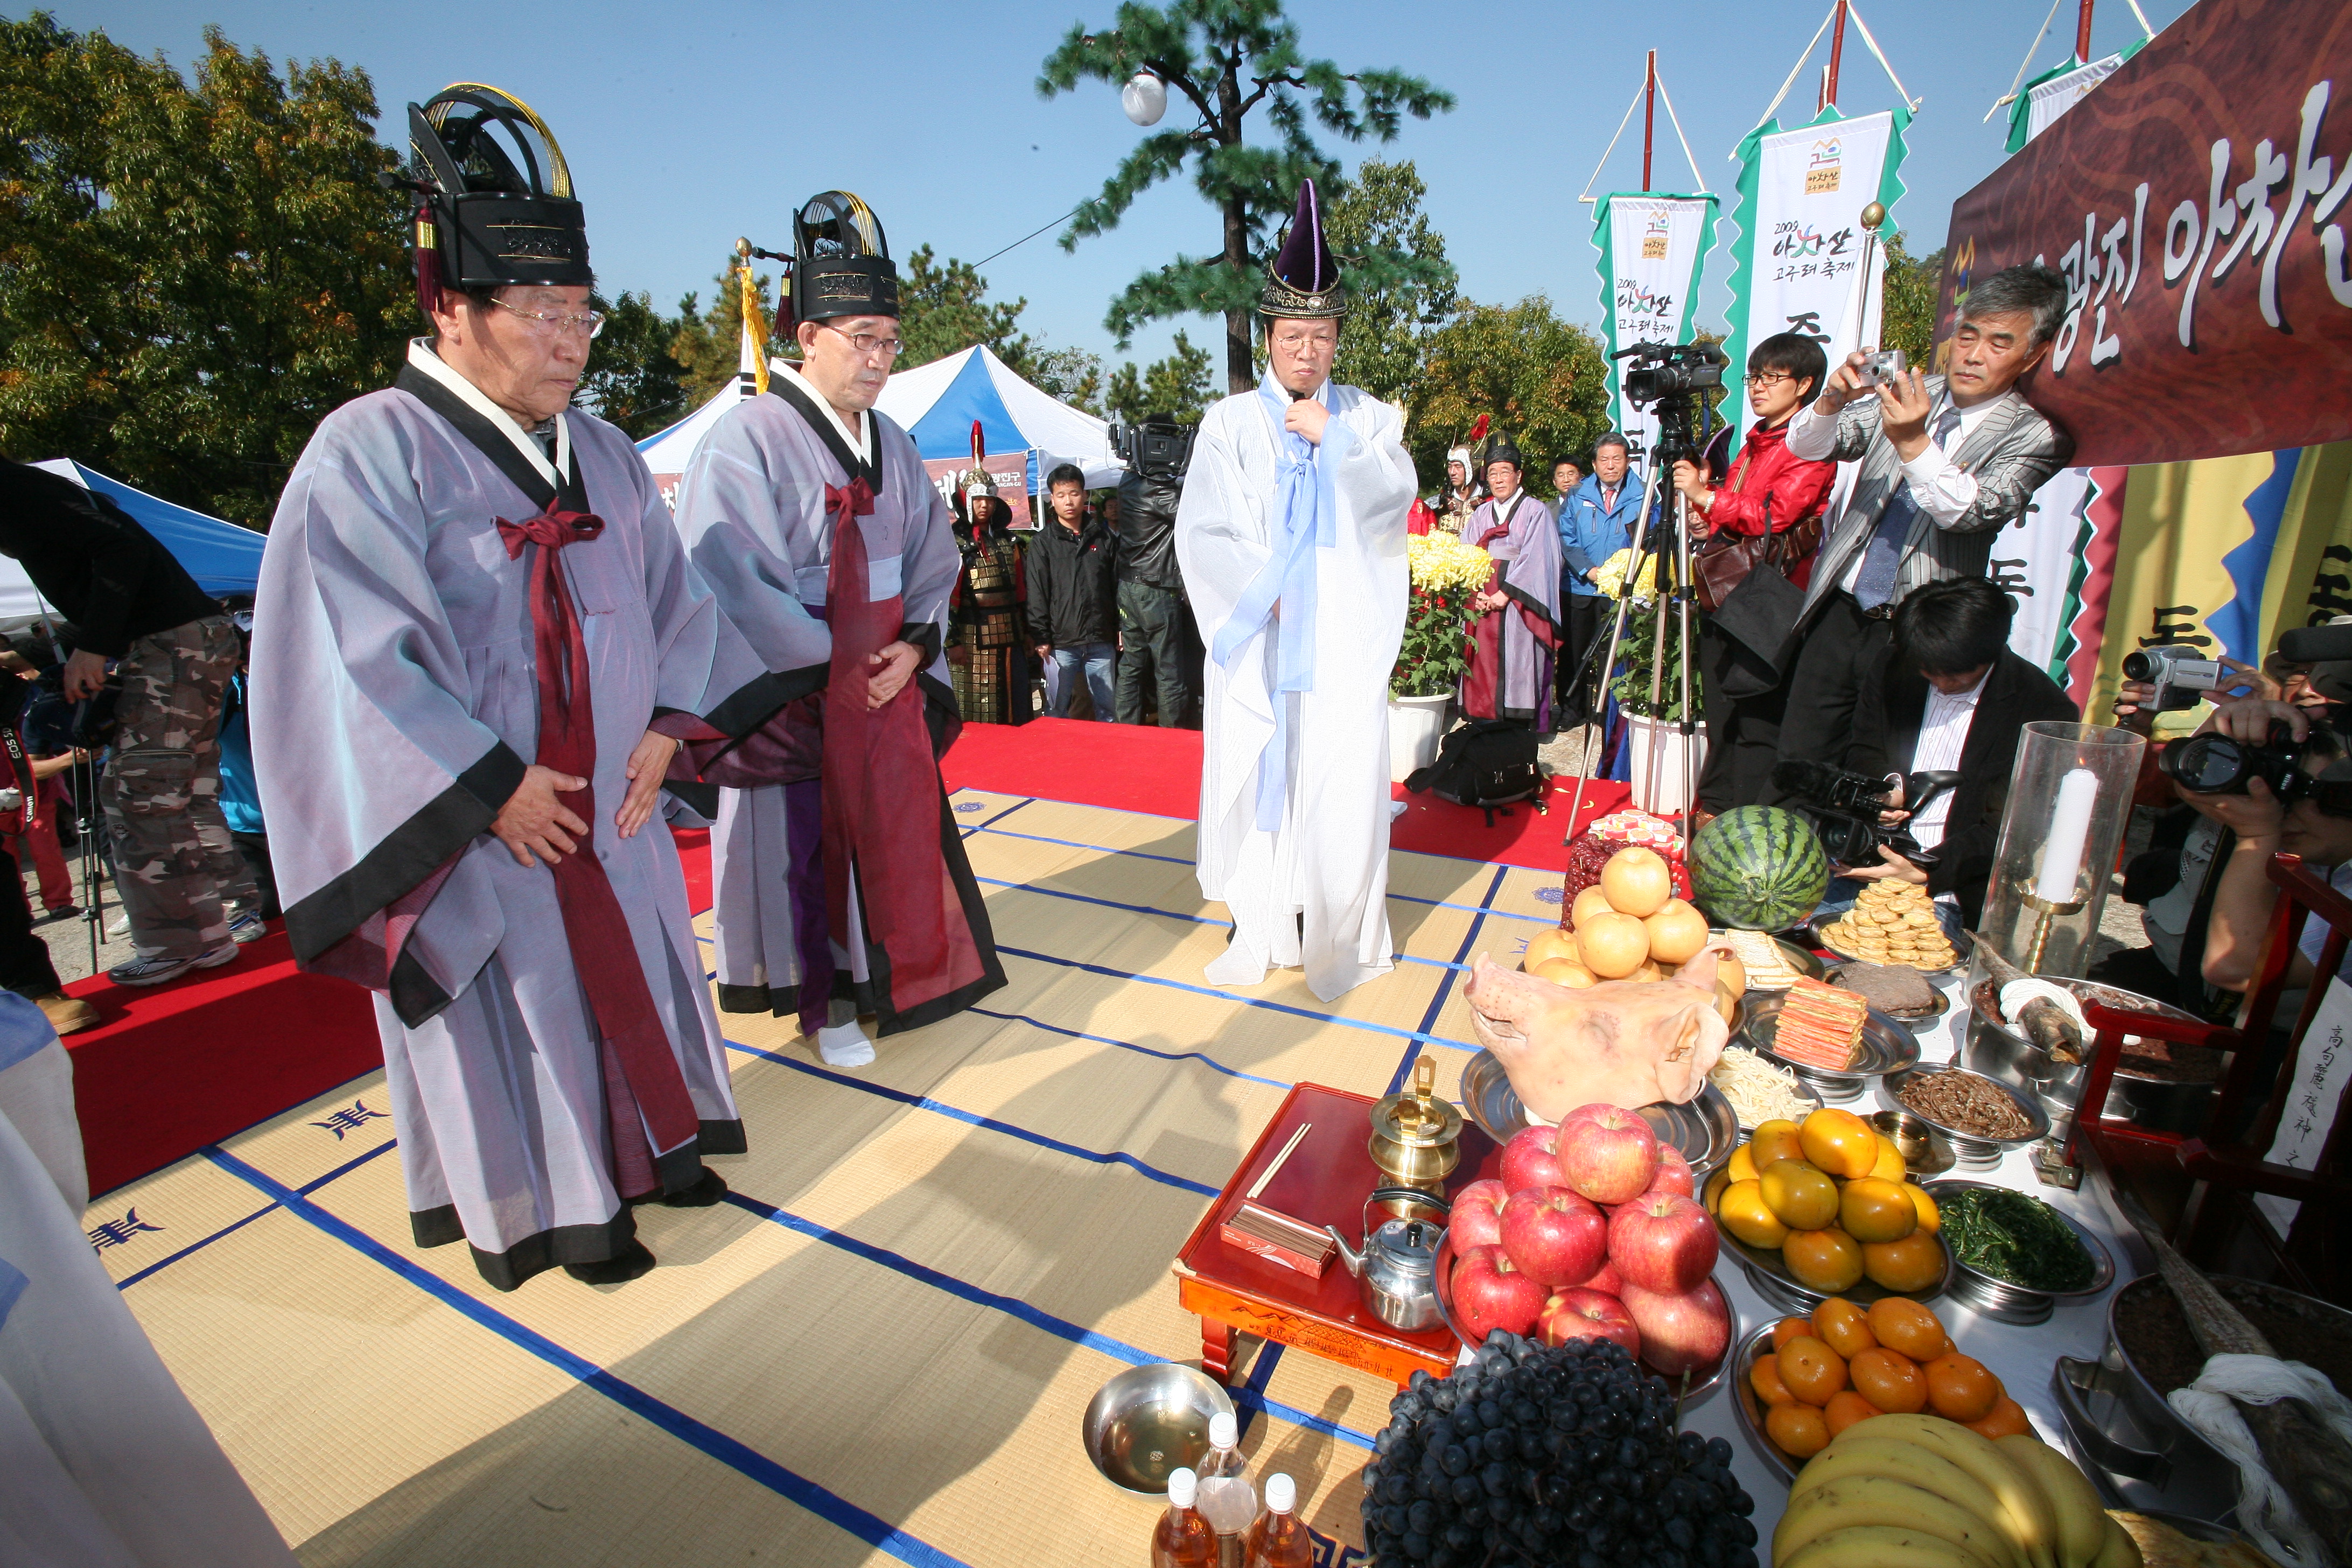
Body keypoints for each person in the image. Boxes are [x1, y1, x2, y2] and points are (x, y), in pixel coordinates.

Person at [253, 86, 782, 1289]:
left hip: (619, 807)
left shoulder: (599, 452)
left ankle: (660, 1153)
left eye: (582, 312)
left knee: (639, 978)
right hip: (497, 831)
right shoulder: (369, 450)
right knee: (525, 1005)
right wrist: (489, 791)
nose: (571, 340)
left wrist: (664, 726)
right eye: (539, 310)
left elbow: (677, 603)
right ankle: (552, 1213)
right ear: (450, 308)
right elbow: (346, 661)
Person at [673, 188, 1005, 1070]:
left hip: (883, 672)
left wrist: (915, 645)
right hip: (801, 685)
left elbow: (933, 557)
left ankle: (893, 973)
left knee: (893, 837)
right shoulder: (745, 438)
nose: (879, 359)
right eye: (861, 338)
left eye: (889, 340)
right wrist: (828, 663)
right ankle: (825, 1003)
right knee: (806, 847)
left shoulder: (894, 442)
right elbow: (726, 572)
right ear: (805, 335)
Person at [1178, 179, 1416, 1002]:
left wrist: (1337, 438)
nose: (1306, 351)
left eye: (1321, 336)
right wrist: (1263, 592)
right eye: (1291, 335)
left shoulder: (1372, 418)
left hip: (1342, 641)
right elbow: (1202, 530)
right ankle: (1265, 915)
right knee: (1265, 765)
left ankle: (1335, 919)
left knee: (1342, 773)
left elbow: (1393, 501)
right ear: (1269, 338)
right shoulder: (1230, 421)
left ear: (1338, 341)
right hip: (1265, 634)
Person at [1766, 263, 2075, 794]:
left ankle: (1862, 872)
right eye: (1967, 336)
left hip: (1919, 632)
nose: (1974, 355)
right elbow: (1810, 445)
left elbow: (1970, 511)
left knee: (1881, 769)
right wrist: (1832, 399)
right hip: (1839, 611)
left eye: (2000, 343)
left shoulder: (2035, 434)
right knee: (1799, 756)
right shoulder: (1910, 390)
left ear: (2035, 353)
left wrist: (1912, 440)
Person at [0, 463, 263, 988]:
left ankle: (176, 940)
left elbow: (123, 551)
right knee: (170, 791)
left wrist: (93, 645)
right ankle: (208, 932)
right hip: (186, 638)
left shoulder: (14, 491)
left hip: (171, 642)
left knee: (135, 790)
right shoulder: (32, 490)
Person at [1838, 577, 2076, 925]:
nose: (1942, 684)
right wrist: (1884, 790)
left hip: (1948, 883)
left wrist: (1924, 872)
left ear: (1993, 650)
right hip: (1866, 857)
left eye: (1957, 677)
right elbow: (1864, 747)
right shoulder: (1894, 667)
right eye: (1929, 672)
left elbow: (2010, 825)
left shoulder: (2042, 710)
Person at [1679, 333, 1838, 813]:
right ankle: (1715, 804)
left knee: (1757, 715)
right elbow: (1740, 514)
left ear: (1805, 384)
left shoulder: (1807, 445)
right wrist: (1706, 513)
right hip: (1728, 590)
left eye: (1773, 377)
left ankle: (1749, 818)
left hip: (1769, 596)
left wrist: (1708, 497)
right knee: (1722, 707)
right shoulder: (1754, 442)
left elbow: (1780, 514)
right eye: (1754, 377)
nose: (1758, 387)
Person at [1460, 437, 1564, 730]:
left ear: (1519, 475)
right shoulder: (1480, 513)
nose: (1498, 479)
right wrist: (1475, 591)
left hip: (1518, 598)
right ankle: (1482, 714)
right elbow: (1466, 553)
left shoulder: (1535, 511)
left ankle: (1516, 719)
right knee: (1482, 656)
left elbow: (1540, 559)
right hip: (1482, 594)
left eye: (1505, 472)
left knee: (1519, 656)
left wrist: (1505, 594)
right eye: (1492, 473)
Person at [946, 432, 1034, 726]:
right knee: (977, 708)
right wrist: (952, 641)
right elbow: (948, 596)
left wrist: (1028, 632)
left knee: (1014, 703)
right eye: (978, 499)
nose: (984, 505)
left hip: (1010, 635)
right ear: (966, 501)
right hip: (971, 635)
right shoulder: (954, 543)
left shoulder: (1010, 543)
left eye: (989, 499)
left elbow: (1020, 592)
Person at [1557, 435, 1644, 725]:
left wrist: (1622, 574)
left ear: (1627, 461)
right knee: (1574, 654)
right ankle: (1572, 710)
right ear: (1594, 464)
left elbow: (1649, 540)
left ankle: (1608, 714)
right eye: (1603, 460)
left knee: (1615, 656)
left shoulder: (1644, 495)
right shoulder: (1577, 494)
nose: (1610, 466)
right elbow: (1565, 538)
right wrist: (1588, 570)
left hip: (1620, 590)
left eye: (1616, 459)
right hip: (1580, 585)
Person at [1115, 424, 1198, 726]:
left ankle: (1126, 731)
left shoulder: (1128, 482)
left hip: (1130, 585)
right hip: (1156, 589)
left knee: (1132, 667)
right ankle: (1172, 739)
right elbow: (1192, 517)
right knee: (1169, 672)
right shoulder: (1160, 491)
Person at [1028, 463, 1120, 720]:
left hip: (1101, 639)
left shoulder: (1103, 538)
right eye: (1061, 495)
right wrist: (1041, 636)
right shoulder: (1043, 543)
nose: (1068, 501)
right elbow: (1037, 592)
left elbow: (1116, 585)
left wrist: (1120, 626)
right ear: (1052, 500)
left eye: (1074, 493)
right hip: (1061, 642)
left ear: (1085, 495)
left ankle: (1108, 758)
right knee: (1057, 710)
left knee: (1108, 711)